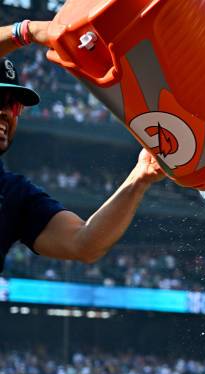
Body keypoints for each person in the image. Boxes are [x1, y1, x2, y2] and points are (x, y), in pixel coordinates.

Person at [0, 20, 164, 271]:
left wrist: (139, 178)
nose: (6, 113)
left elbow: (84, 243)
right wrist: (27, 31)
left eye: (12, 105)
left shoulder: (14, 193)